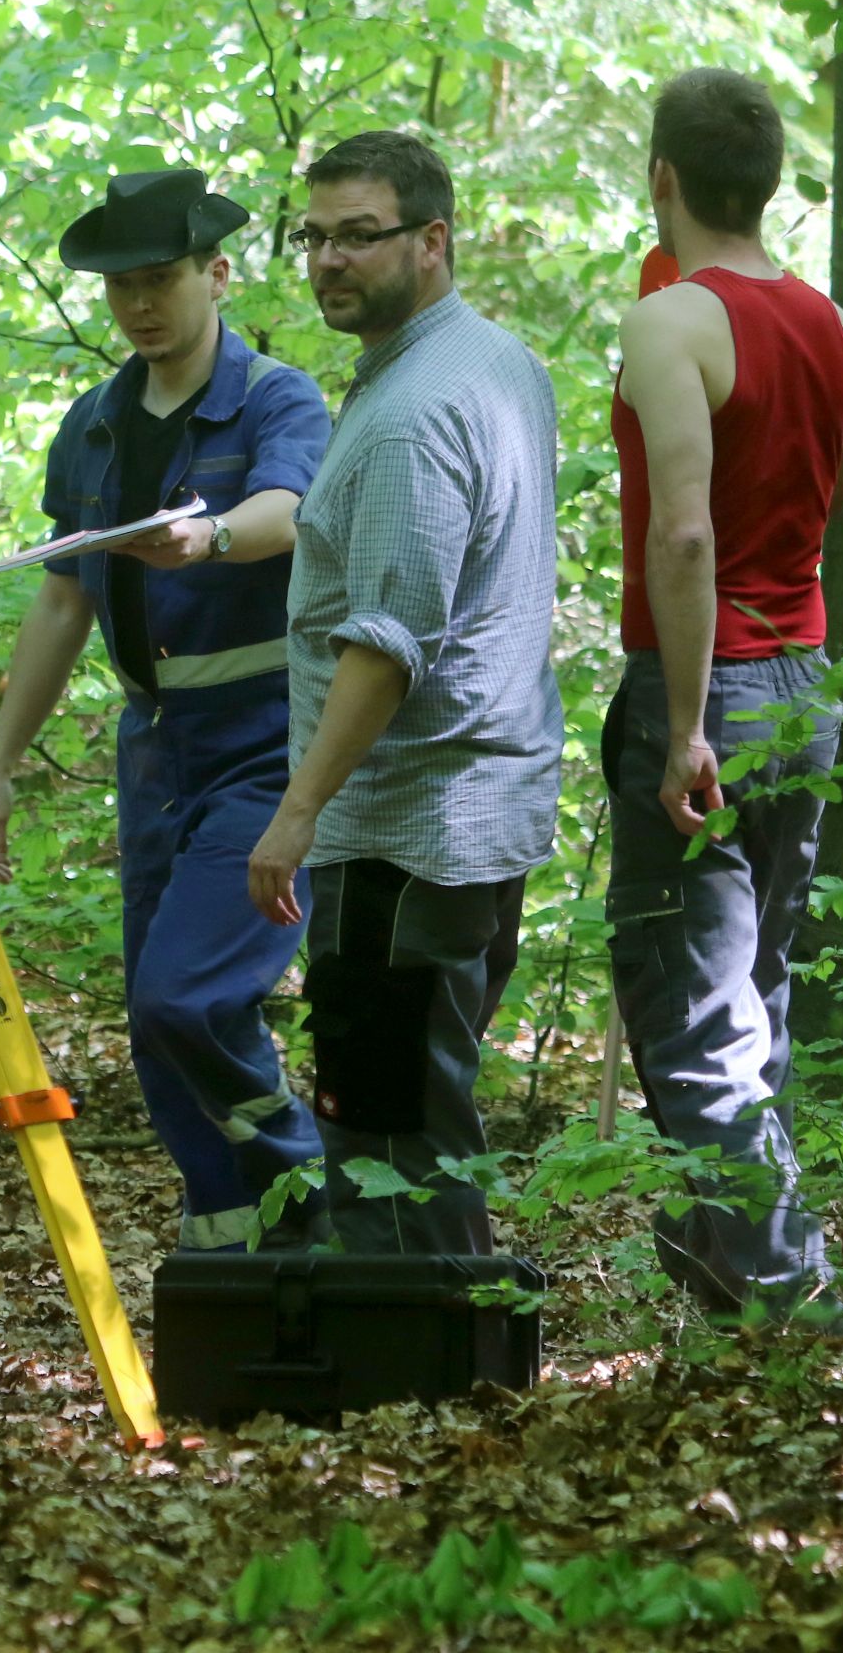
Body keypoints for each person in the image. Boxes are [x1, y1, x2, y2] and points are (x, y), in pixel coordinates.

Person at [0, 169, 333, 1252]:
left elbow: (291, 509)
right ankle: (228, 1238)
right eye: (121, 285)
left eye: (161, 277)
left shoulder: (276, 397)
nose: (141, 304)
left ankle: (302, 1190)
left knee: (187, 995)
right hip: (156, 748)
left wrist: (210, 534)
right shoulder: (95, 426)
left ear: (216, 275)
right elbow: (63, 597)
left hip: (267, 741)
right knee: (151, 1016)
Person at [246, 131, 563, 1256]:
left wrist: (298, 812)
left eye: (360, 236)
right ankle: (448, 1365)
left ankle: (427, 1386)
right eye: (315, 237)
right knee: (425, 1109)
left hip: (402, 834)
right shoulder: (495, 360)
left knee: (390, 1132)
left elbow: (386, 644)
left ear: (432, 241)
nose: (331, 261)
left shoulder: (411, 416)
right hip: (478, 816)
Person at [605, 67, 843, 1334]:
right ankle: (722, 1266)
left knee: (690, 1005)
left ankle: (791, 1304)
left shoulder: (673, 325)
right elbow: (834, 493)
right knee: (756, 995)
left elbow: (686, 540)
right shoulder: (829, 322)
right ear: (762, 184)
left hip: (705, 685)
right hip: (806, 677)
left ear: (665, 178)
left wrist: (692, 719)